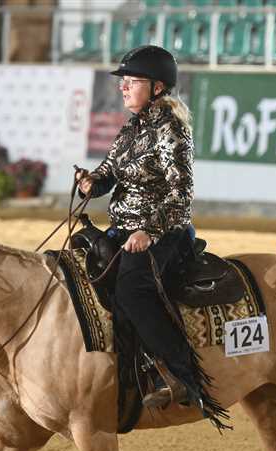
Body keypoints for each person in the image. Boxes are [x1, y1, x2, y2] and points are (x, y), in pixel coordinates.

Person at [76, 45, 202, 411]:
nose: (123, 87)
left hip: (165, 233)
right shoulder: (133, 128)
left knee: (133, 290)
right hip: (125, 230)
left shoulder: (171, 128)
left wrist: (149, 231)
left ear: (157, 87)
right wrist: (90, 183)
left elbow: (181, 194)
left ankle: (180, 376)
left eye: (132, 81)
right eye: (124, 81)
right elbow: (108, 172)